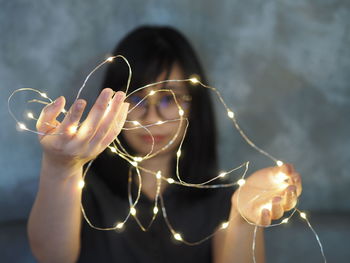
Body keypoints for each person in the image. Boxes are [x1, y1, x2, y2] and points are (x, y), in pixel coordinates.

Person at [27, 26, 302, 263]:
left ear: (194, 105)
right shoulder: (81, 192)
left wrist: (242, 218)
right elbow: (51, 257)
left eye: (169, 99)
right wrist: (60, 167)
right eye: (136, 99)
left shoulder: (222, 202)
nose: (152, 117)